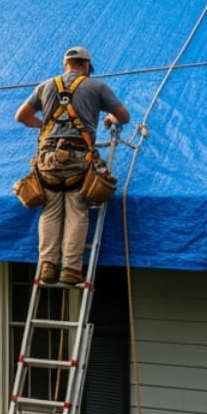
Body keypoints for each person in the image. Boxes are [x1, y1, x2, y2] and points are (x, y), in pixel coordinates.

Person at [14, 46, 129, 286]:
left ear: (66, 64)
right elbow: (124, 116)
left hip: (47, 159)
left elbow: (21, 116)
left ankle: (47, 266)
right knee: (77, 211)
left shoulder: (45, 86)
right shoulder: (95, 86)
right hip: (79, 157)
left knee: (50, 211)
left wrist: (44, 127)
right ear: (86, 65)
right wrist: (109, 119)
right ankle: (70, 269)